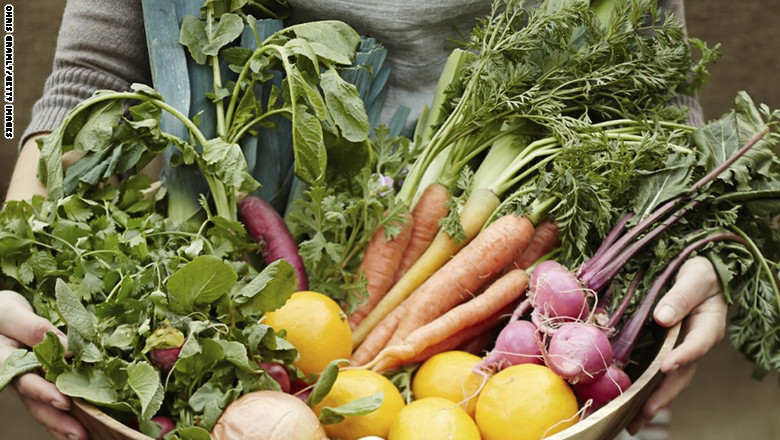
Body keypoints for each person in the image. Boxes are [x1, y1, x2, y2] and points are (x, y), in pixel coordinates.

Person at [1, 1, 727, 439]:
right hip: (269, 305)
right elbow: (86, 83)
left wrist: (702, 246)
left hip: (551, 339)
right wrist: (12, 269)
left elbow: (656, 89)